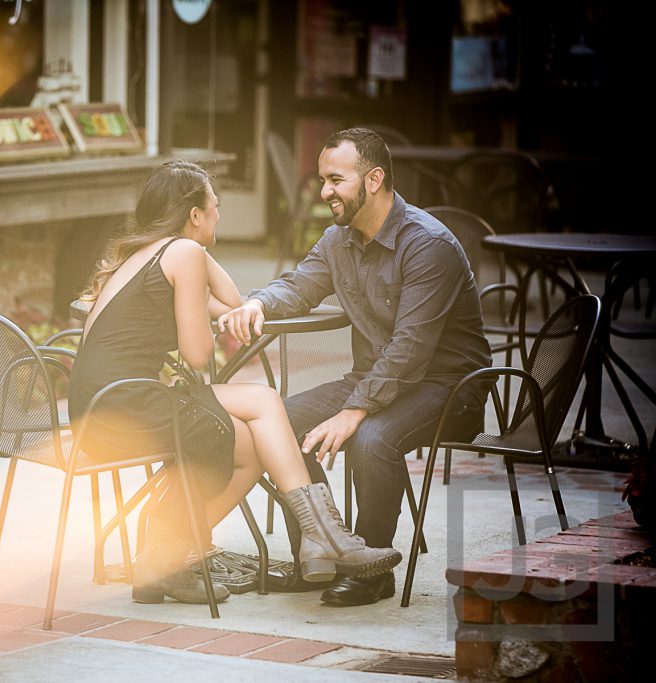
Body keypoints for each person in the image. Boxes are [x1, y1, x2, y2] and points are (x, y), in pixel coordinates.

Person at [68, 160, 400, 606]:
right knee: (264, 403)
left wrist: (202, 254)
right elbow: (200, 354)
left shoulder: (152, 253)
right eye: (215, 207)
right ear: (194, 214)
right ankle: (323, 537)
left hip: (99, 408)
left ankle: (163, 560)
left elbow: (231, 302)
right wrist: (197, 256)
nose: (220, 215)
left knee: (248, 446)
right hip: (127, 405)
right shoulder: (180, 254)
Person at [220, 128, 493, 606]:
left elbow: (411, 349)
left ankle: (372, 565)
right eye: (323, 180)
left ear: (373, 179)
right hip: (376, 379)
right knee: (278, 424)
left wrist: (354, 411)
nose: (324, 192)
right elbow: (298, 286)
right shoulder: (337, 240)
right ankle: (320, 552)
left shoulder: (428, 245)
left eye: (335, 180)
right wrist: (258, 303)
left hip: (451, 386)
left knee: (371, 438)